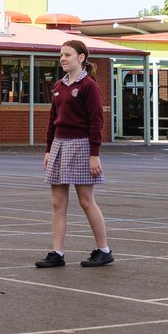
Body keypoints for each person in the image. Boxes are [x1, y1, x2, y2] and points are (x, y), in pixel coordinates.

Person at [36, 39, 113, 269]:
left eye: (67, 55)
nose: (62, 59)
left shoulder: (89, 86)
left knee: (86, 200)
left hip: (81, 146)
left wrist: (94, 154)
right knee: (57, 202)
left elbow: (96, 120)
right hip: (60, 145)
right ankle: (57, 253)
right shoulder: (59, 86)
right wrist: (49, 150)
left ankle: (104, 250)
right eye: (61, 55)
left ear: (81, 58)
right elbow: (52, 121)